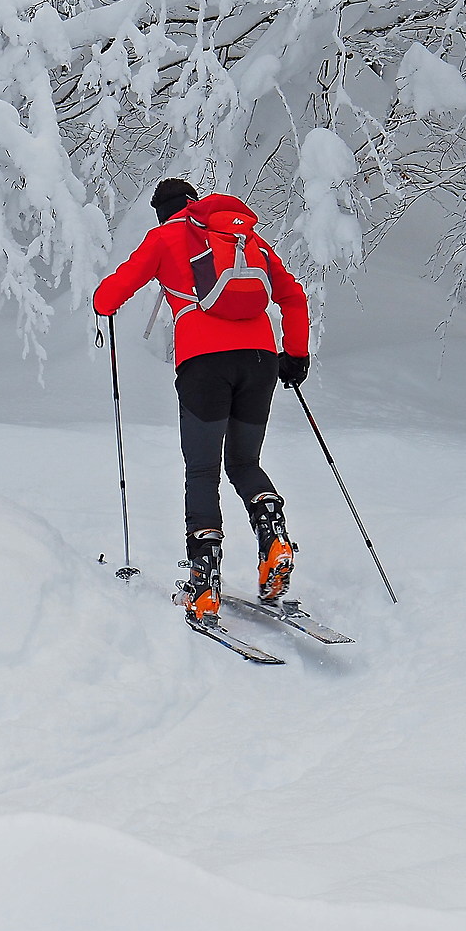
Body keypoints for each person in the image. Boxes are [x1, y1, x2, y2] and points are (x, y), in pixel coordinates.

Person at [93, 178, 311, 623]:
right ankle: (274, 538)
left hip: (204, 366)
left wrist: (102, 304)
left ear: (162, 211)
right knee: (245, 463)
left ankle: (204, 582)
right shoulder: (245, 238)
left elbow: (109, 295)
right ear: (196, 204)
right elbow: (292, 296)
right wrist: (296, 354)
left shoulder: (164, 237)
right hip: (260, 359)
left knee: (203, 469)